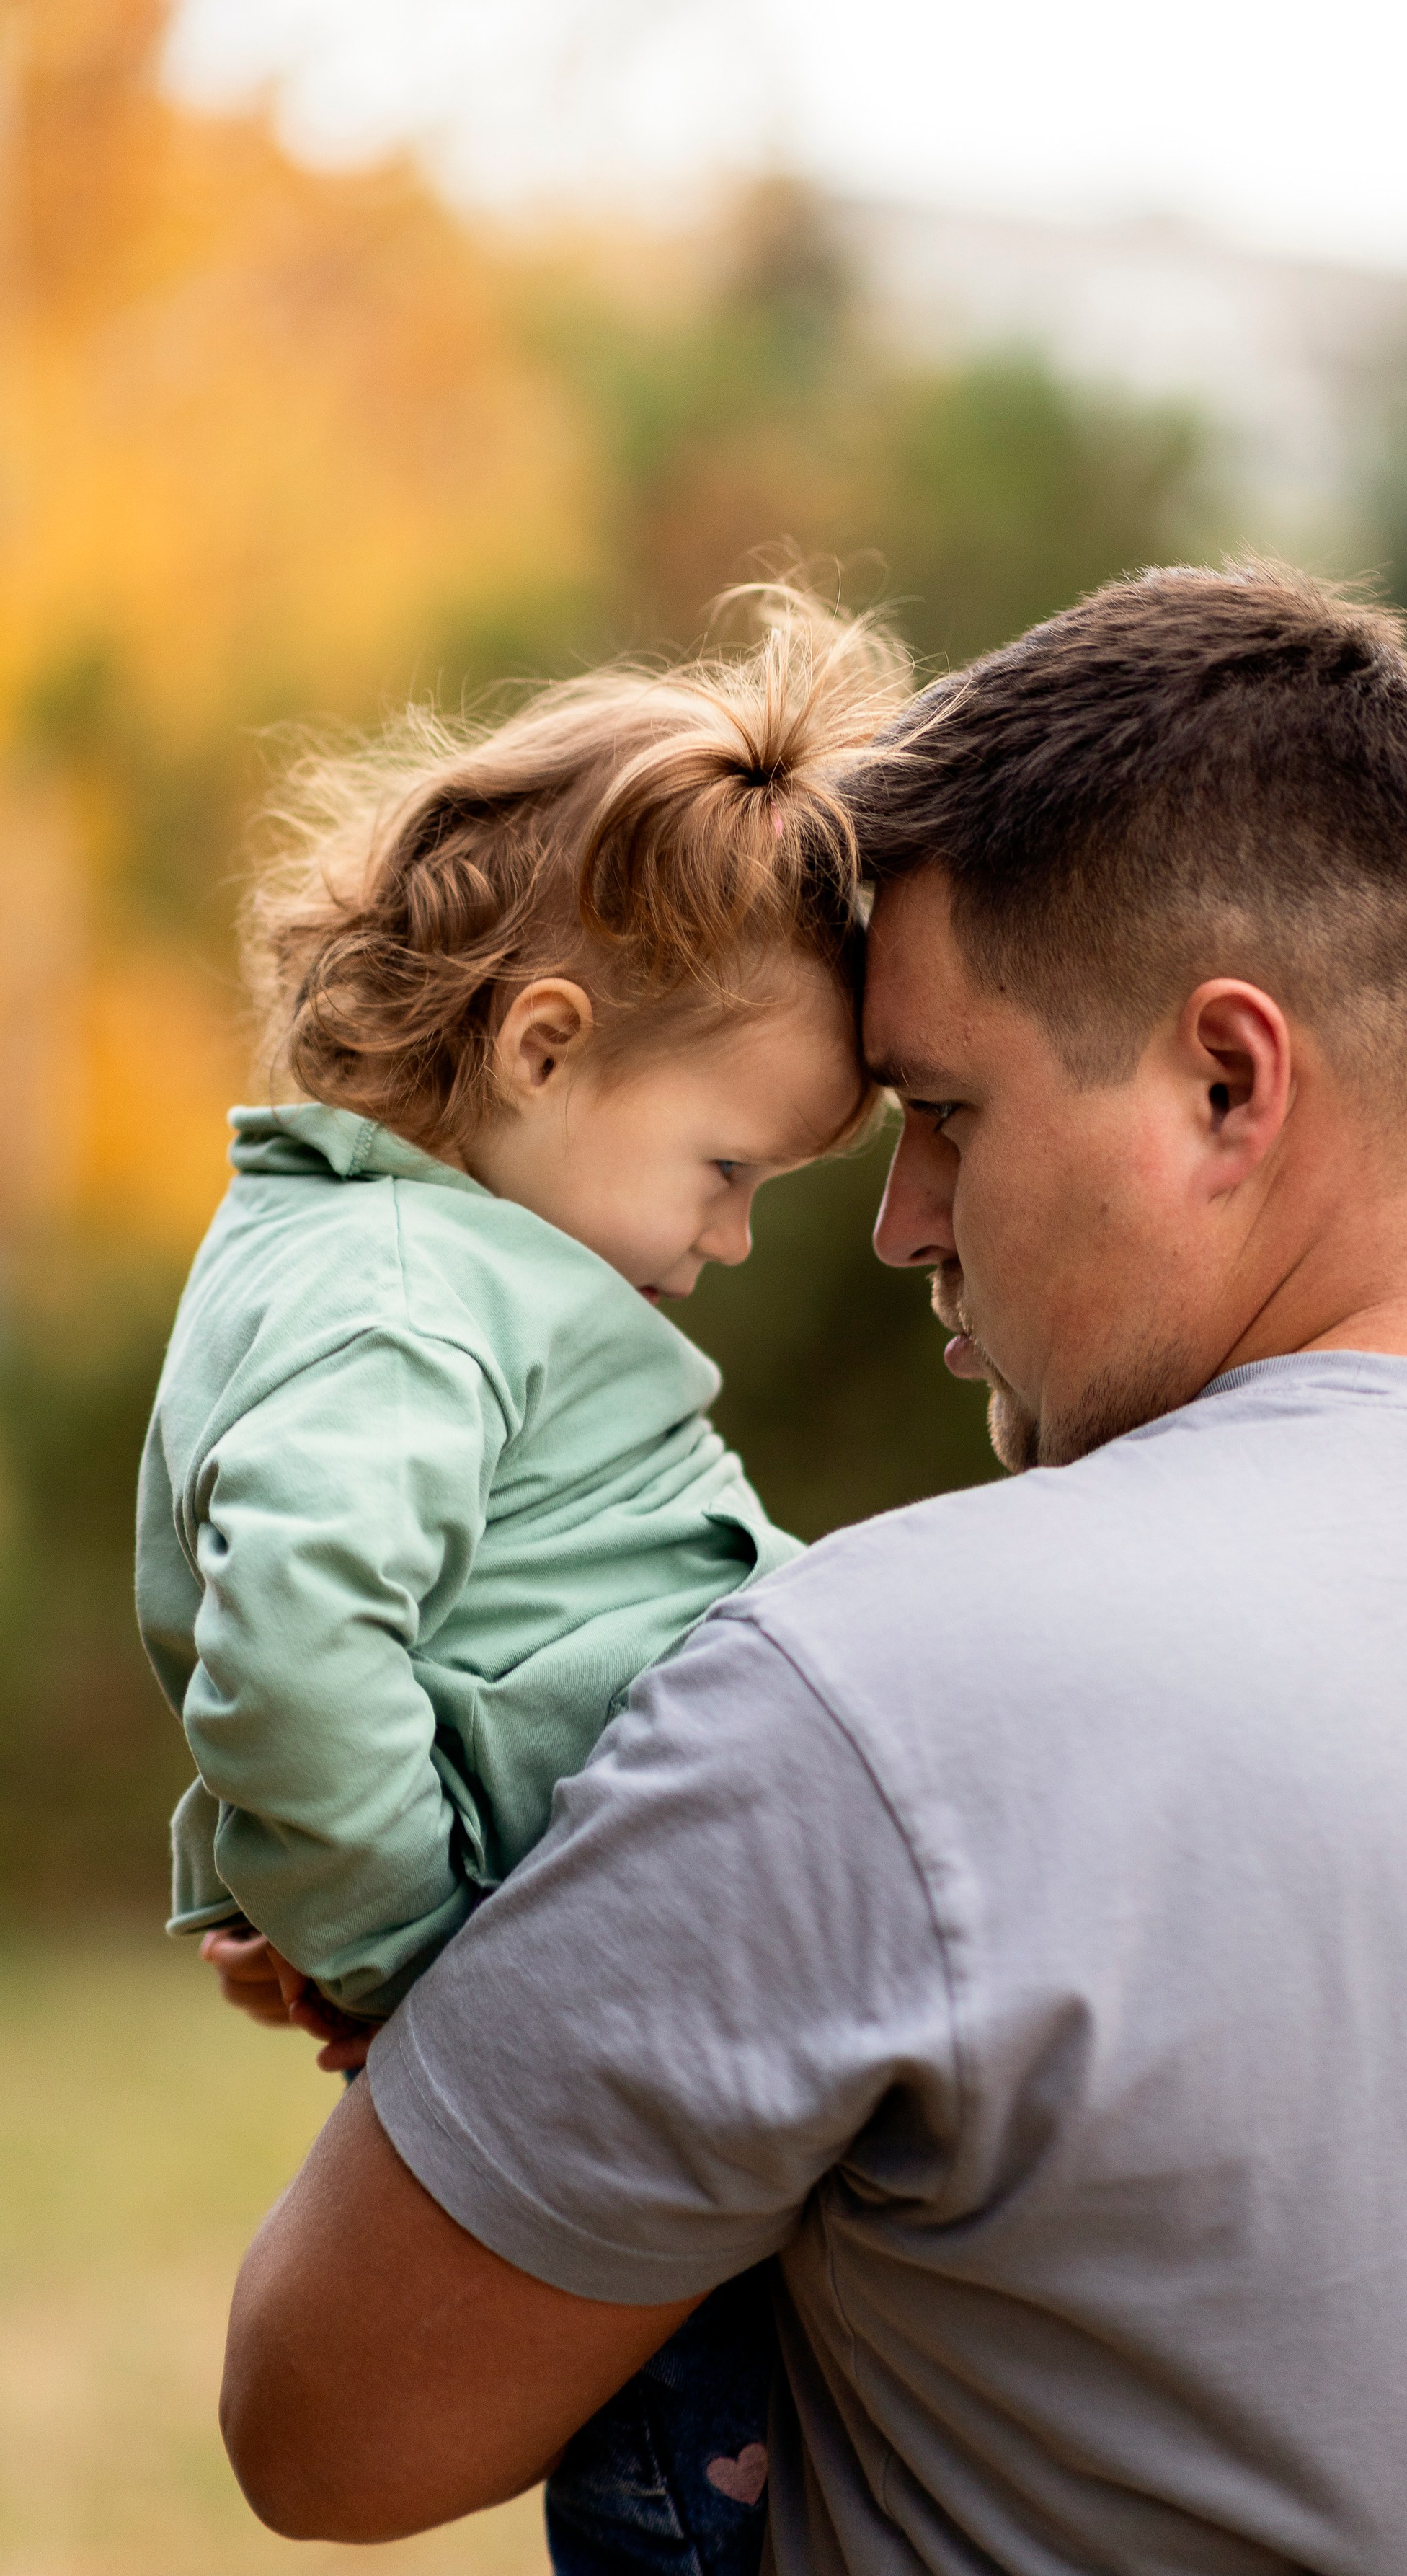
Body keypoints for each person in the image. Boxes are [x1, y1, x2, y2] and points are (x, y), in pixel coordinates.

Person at [219, 564, 1407, 2575]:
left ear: (1229, 1084)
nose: (901, 1222)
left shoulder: (870, 1701)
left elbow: (325, 2427)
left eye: (945, 1114)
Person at [137, 586, 907, 2576]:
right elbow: (293, 1644)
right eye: (728, 1170)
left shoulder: (392, 1262)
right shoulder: (410, 1297)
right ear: (545, 1045)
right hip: (618, 2021)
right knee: (712, 2472)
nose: (734, 1239)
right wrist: (418, 1960)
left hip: (662, 1970)